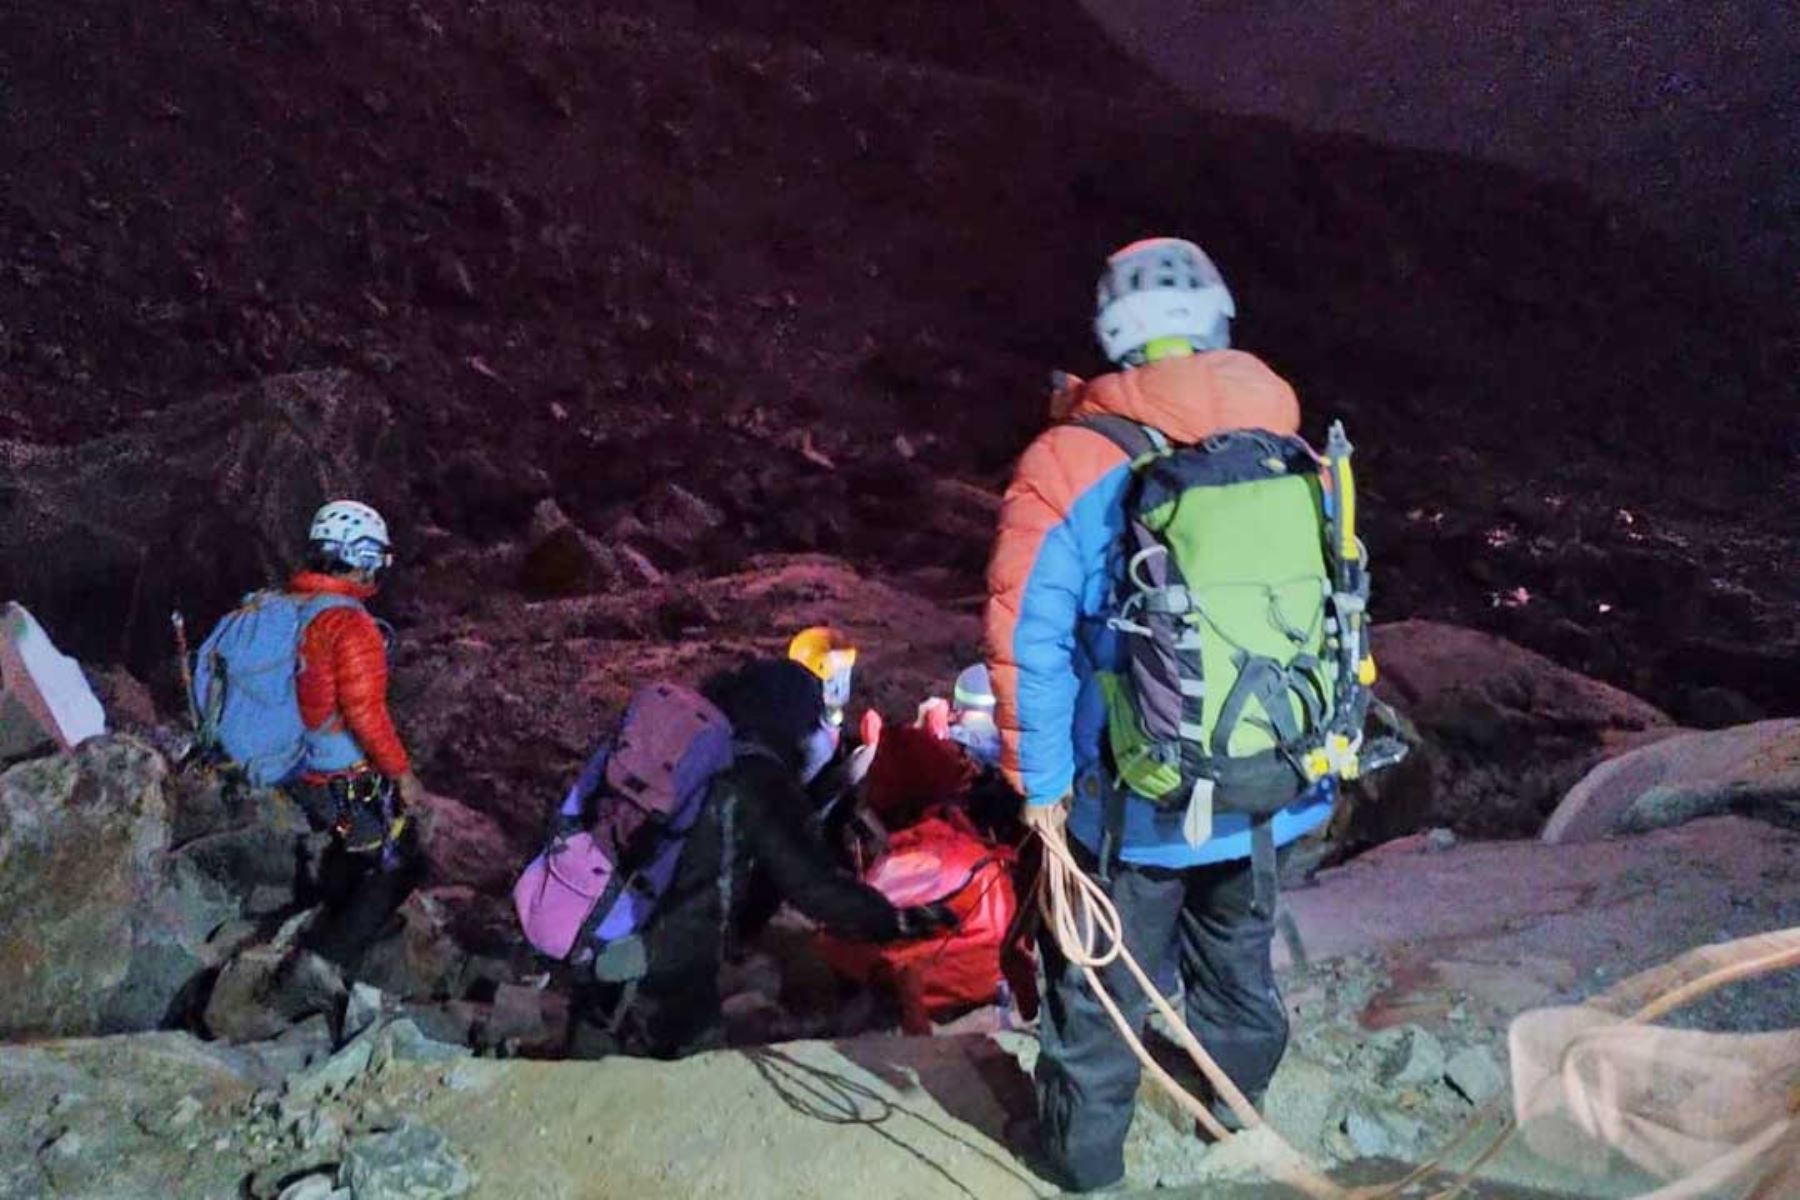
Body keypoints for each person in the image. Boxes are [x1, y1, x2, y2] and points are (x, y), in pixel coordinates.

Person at [985, 238, 1332, 1191]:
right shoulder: (1296, 448)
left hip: (1133, 807)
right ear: (1219, 320)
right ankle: (1236, 1113)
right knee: (1237, 964)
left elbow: (1029, 642)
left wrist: (1043, 792)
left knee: (1099, 992)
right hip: (1269, 784)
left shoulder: (1070, 457)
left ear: (1111, 331)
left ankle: (1082, 1161)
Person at [567, 657, 955, 1059]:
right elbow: (816, 887)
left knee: (590, 1058)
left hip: (598, 926)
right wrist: (893, 920)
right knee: (686, 1069)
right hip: (670, 965)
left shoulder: (683, 751)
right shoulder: (759, 778)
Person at [283, 500, 426, 975]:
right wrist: (403, 776)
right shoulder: (351, 623)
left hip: (278, 756)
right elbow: (365, 713)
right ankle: (321, 965)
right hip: (322, 774)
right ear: (359, 556)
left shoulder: (285, 602)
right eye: (377, 559)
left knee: (356, 841)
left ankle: (324, 909)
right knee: (396, 859)